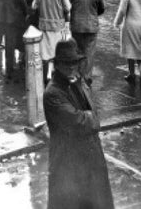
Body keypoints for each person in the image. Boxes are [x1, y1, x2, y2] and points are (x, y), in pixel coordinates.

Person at [43, 39, 115, 209]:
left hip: (90, 158)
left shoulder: (78, 82)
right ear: (57, 64)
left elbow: (90, 112)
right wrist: (92, 118)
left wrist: (90, 117)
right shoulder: (53, 93)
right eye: (66, 63)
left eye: (74, 63)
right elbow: (78, 122)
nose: (71, 67)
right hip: (68, 163)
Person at [31, 0, 71, 84]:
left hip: (43, 25)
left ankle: (45, 75)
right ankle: (52, 73)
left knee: (44, 51)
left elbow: (33, 7)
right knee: (56, 50)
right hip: (58, 25)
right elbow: (67, 8)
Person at [68, 0, 105, 84]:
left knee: (77, 50)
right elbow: (101, 9)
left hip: (76, 26)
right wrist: (93, 15)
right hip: (91, 27)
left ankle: (78, 74)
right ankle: (87, 77)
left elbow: (68, 8)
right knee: (89, 52)